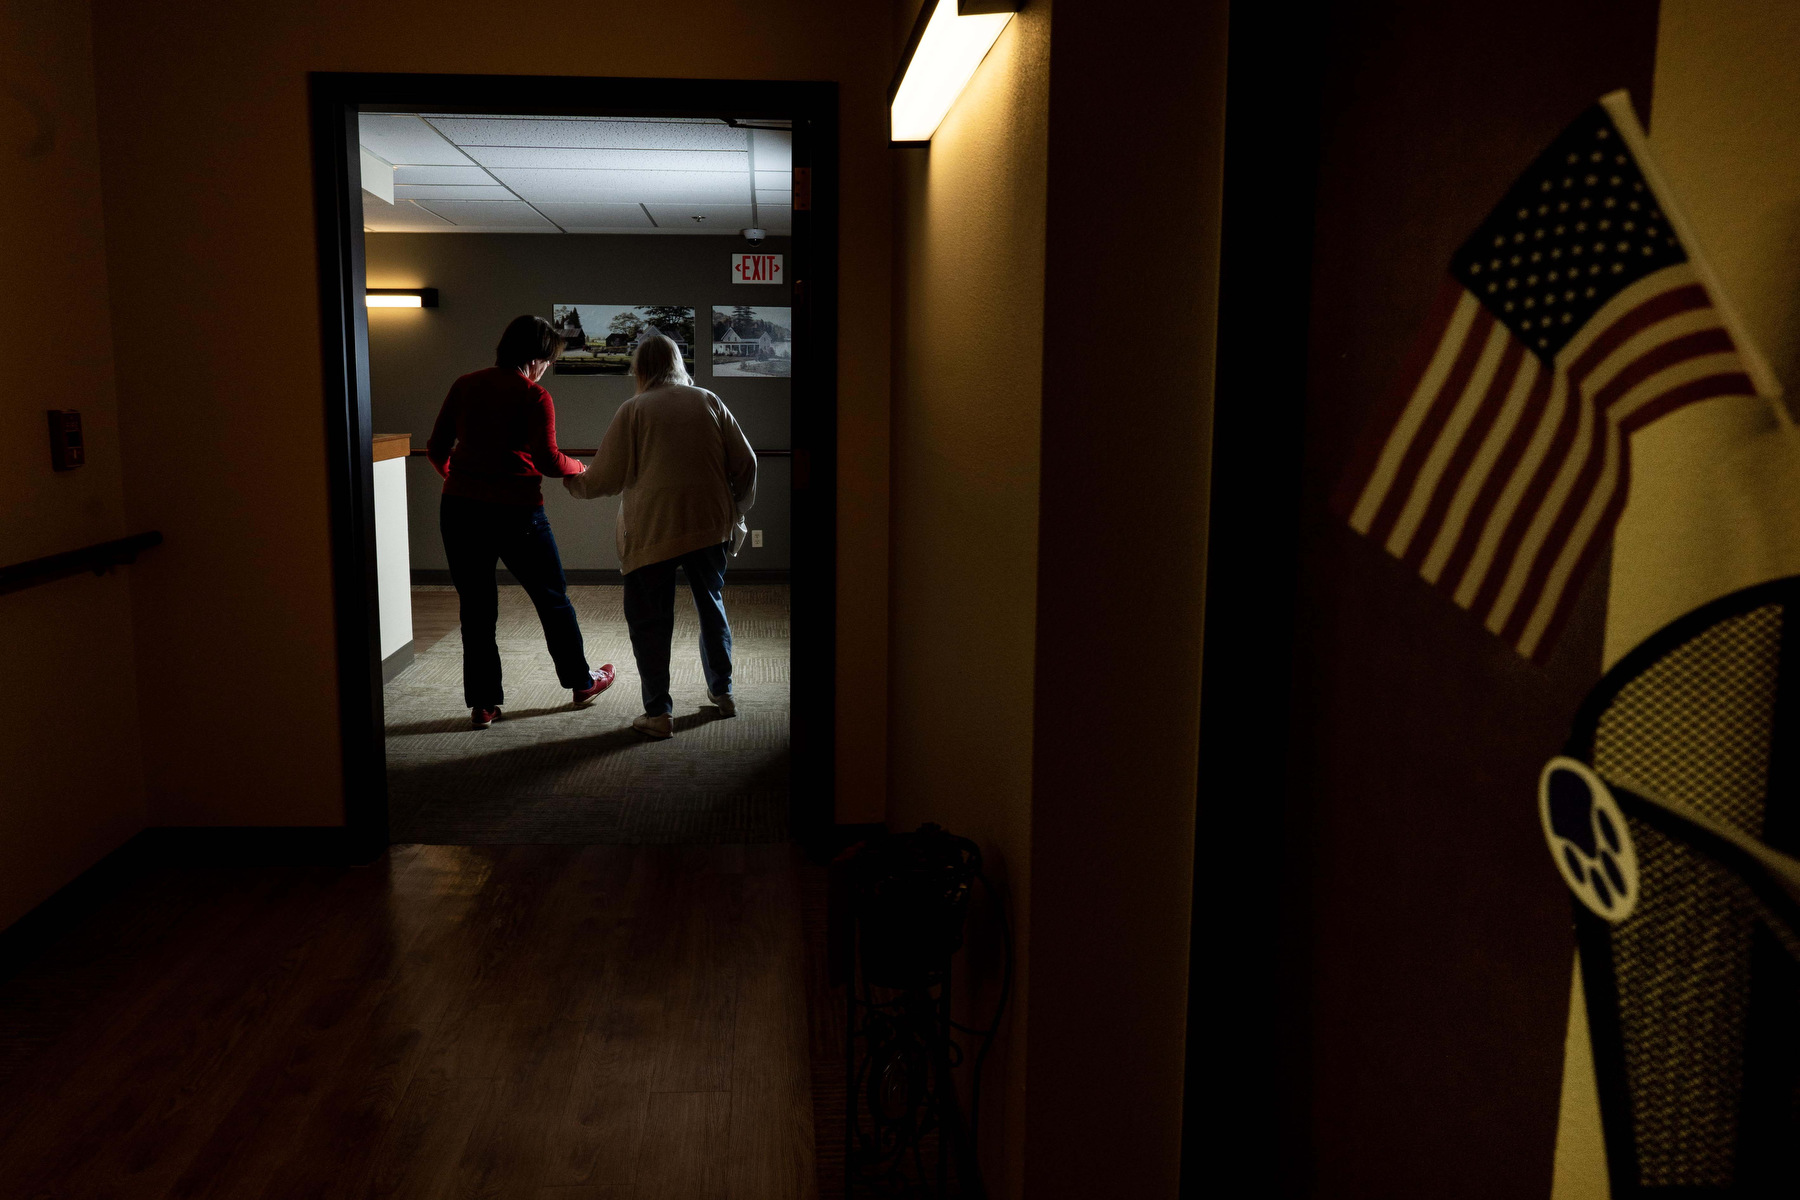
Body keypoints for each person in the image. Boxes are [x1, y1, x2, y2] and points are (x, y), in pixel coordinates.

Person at [563, 334, 756, 739]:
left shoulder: (634, 410)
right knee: (711, 605)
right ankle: (723, 693)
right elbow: (747, 461)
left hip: (654, 529)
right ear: (677, 362)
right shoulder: (708, 400)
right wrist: (737, 508)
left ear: (641, 368)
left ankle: (659, 714)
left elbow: (606, 477)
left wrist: (574, 480)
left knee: (650, 621)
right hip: (710, 523)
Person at [427, 314, 614, 729]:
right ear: (535, 357)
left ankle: (484, 704)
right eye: (547, 359)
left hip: (459, 511)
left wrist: (460, 482)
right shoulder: (534, 396)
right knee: (552, 599)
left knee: (476, 608)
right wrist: (579, 467)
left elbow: (437, 448)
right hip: (517, 513)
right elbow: (548, 461)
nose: (547, 368)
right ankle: (582, 683)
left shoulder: (465, 384)